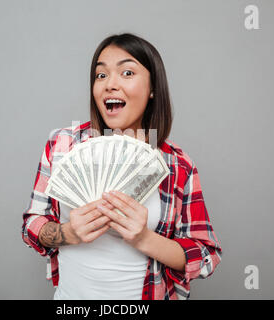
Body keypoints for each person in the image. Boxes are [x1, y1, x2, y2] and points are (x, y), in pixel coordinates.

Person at [21, 33, 222, 300]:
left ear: (152, 89)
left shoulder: (177, 164)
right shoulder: (63, 144)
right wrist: (68, 233)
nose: (109, 84)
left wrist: (144, 238)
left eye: (127, 72)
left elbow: (206, 255)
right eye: (101, 75)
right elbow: (32, 225)